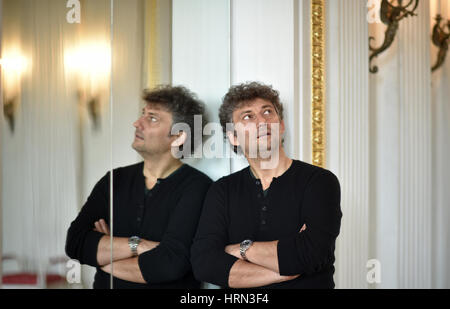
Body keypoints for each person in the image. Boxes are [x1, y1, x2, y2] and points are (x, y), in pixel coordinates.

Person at [191, 82, 342, 288]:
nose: (262, 121)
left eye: (268, 112)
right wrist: (287, 271)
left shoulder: (320, 181)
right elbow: (205, 264)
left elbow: (311, 254)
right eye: (248, 116)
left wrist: (241, 250)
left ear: (280, 125)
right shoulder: (222, 191)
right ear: (233, 137)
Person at [66, 85, 212, 289]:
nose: (137, 123)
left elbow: (170, 263)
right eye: (143, 114)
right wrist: (139, 246)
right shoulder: (114, 180)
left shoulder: (199, 188)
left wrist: (106, 253)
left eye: (152, 118)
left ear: (179, 136)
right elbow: (75, 243)